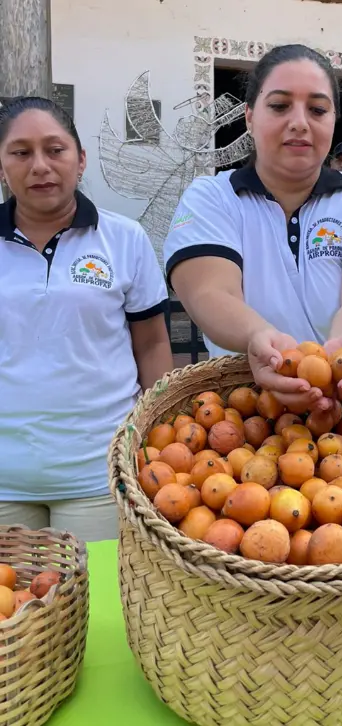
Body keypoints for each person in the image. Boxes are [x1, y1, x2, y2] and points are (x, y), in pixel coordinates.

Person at [165, 44, 342, 424]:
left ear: (333, 120)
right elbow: (211, 291)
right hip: (250, 417)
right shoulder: (211, 197)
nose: (300, 122)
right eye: (279, 106)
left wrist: (337, 359)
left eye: (317, 109)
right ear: (249, 116)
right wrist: (263, 341)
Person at [0, 97, 173, 541]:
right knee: (16, 607)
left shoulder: (124, 239)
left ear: (80, 160)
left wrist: (160, 442)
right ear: (2, 165)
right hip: (5, 480)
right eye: (21, 152)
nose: (40, 165)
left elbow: (151, 345)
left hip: (99, 474)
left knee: (101, 608)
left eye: (55, 150)